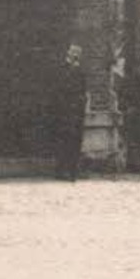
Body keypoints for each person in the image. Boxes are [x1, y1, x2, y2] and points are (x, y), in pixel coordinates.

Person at [53, 44, 87, 182]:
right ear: (68, 54)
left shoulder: (80, 71)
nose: (76, 55)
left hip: (77, 112)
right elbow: (59, 91)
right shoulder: (62, 70)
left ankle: (73, 170)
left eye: (78, 53)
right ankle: (61, 170)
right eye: (74, 53)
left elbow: (83, 90)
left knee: (76, 141)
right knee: (64, 141)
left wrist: (82, 102)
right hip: (65, 112)